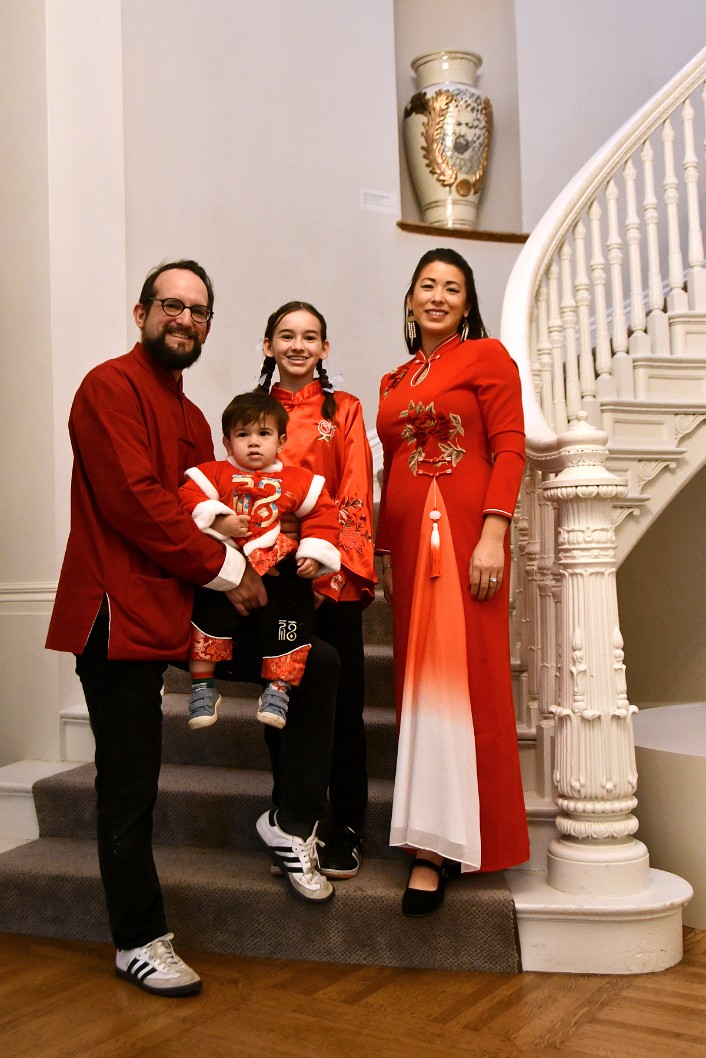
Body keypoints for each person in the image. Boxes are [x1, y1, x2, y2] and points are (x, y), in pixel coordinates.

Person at [45, 262, 338, 999]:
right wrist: (227, 566)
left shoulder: (192, 416)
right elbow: (137, 504)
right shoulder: (106, 388)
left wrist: (265, 552)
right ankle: (137, 939)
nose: (184, 319)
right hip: (115, 614)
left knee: (318, 660)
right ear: (141, 311)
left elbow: (200, 503)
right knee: (130, 782)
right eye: (171, 306)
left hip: (179, 608)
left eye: (198, 311)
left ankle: (288, 818)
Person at [376, 248, 529, 917]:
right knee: (418, 687)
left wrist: (494, 532)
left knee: (467, 680)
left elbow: (511, 447)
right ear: (410, 301)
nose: (437, 296)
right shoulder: (393, 377)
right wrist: (382, 545)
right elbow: (391, 467)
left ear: (466, 305)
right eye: (427, 286)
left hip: (467, 539)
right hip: (409, 547)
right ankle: (428, 829)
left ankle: (444, 849)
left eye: (452, 288)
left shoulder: (487, 357)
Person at [257, 301, 375, 878]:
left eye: (310, 337)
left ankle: (346, 826)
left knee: (344, 710)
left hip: (330, 579)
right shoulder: (254, 412)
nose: (298, 345)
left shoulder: (344, 411)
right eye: (286, 335)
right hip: (275, 580)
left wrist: (331, 575)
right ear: (268, 346)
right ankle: (291, 822)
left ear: (324, 349)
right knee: (281, 705)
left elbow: (355, 494)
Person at [179, 390, 341, 730]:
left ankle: (278, 688)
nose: (254, 443)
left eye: (263, 434)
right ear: (227, 442)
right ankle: (203, 686)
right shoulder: (214, 475)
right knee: (207, 611)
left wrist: (313, 553)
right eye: (243, 434)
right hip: (229, 567)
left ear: (281, 440)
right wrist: (219, 519)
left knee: (292, 616)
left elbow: (322, 514)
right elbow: (187, 500)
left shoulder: (299, 481)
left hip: (278, 565)